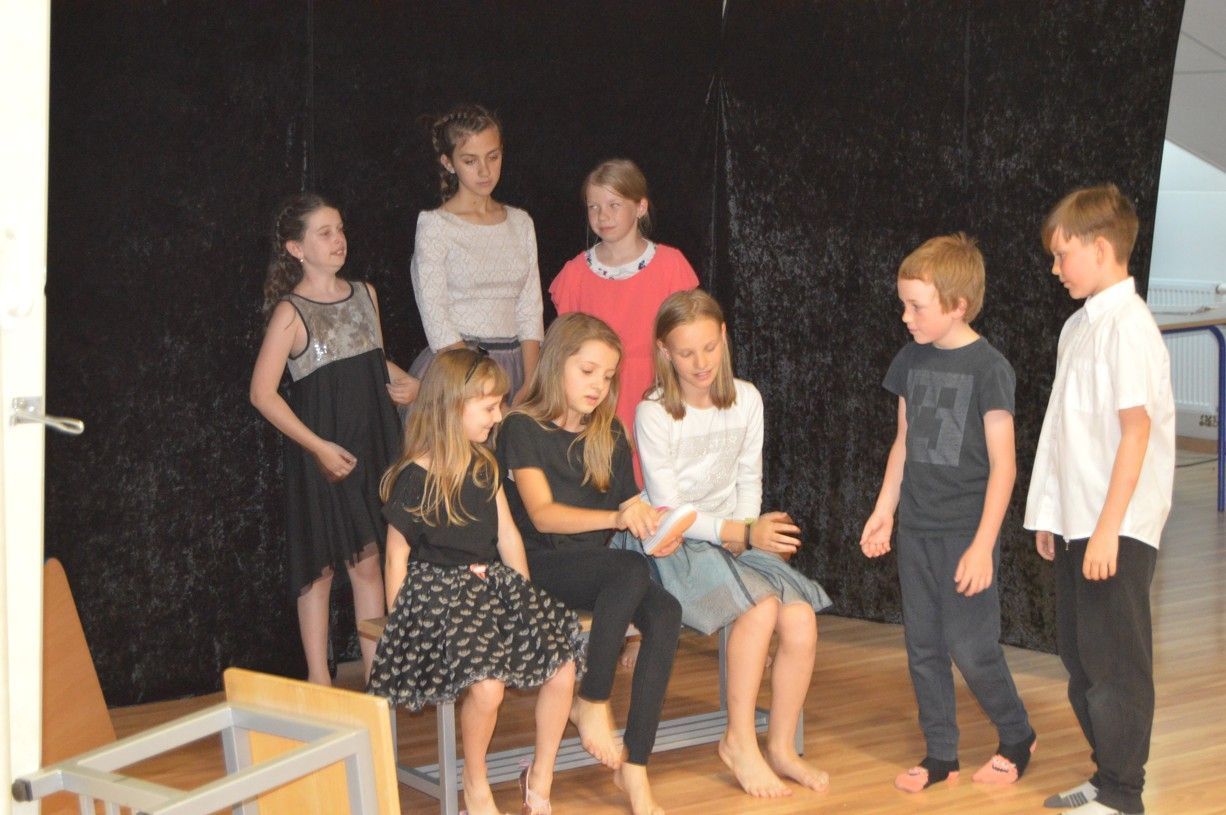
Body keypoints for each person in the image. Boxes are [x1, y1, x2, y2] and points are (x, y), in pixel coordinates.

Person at [623, 289, 833, 799]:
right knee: (759, 608)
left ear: (724, 338)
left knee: (801, 620)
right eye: (686, 352)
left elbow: (748, 479)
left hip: (732, 537)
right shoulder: (654, 412)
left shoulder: (747, 398)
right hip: (672, 545)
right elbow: (669, 509)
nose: (700, 363)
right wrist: (738, 533)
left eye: (709, 348)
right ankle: (739, 740)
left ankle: (780, 746)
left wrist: (745, 532)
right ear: (664, 352)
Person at [369, 348, 582, 815]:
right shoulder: (414, 477)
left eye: (499, 404)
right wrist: (403, 621)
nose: (499, 415)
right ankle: (475, 780)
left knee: (563, 667)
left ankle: (540, 777)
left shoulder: (484, 466)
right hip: (439, 591)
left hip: (491, 586)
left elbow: (507, 536)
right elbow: (396, 557)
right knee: (487, 687)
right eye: (488, 406)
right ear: (452, 407)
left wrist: (525, 599)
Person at [859, 233, 1036, 794]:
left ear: (958, 305)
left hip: (965, 533)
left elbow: (1004, 468)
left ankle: (1017, 735)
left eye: (917, 307)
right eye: (903, 305)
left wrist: (982, 546)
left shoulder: (990, 368)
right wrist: (884, 511)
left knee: (972, 647)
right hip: (917, 528)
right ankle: (941, 753)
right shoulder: (910, 359)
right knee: (924, 646)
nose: (905, 317)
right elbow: (904, 441)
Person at [496, 313, 686, 815]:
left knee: (666, 612)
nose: (598, 386)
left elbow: (629, 505)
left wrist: (654, 527)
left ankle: (635, 766)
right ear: (556, 363)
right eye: (587, 371)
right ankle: (593, 699)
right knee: (627, 570)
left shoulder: (609, 432)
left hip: (594, 571)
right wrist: (619, 518)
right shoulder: (521, 426)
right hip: (534, 566)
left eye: (607, 376)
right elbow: (543, 515)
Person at [1025, 185, 1174, 815]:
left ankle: (1123, 796)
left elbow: (1135, 432)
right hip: (1078, 520)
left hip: (1117, 526)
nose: (1055, 268)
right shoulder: (1078, 327)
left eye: (1063, 255)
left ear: (1102, 247)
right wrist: (1048, 512)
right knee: (1081, 659)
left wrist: (1109, 528)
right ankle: (1107, 774)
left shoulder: (1130, 328)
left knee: (1116, 664)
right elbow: (1064, 430)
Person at [249, 192, 418, 685]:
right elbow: (262, 393)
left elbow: (369, 360)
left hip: (372, 446)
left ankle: (377, 678)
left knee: (369, 562)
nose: (338, 239)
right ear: (296, 248)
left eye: (340, 229)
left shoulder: (366, 294)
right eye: (324, 233)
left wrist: (411, 383)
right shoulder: (291, 311)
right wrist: (318, 447)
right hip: (322, 454)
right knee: (319, 569)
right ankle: (319, 682)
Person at [549, 158, 698, 452]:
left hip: (659, 397)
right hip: (597, 403)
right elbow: (564, 353)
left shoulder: (672, 266)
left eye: (614, 205)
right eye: (594, 207)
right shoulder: (574, 274)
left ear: (640, 207)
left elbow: (688, 343)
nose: (602, 215)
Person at [409, 103, 543, 403]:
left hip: (516, 367)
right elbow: (436, 316)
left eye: (492, 157)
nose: (485, 171)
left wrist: (531, 381)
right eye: (470, 161)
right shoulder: (435, 225)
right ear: (449, 163)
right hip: (460, 368)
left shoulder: (521, 222)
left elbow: (530, 308)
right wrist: (481, 386)